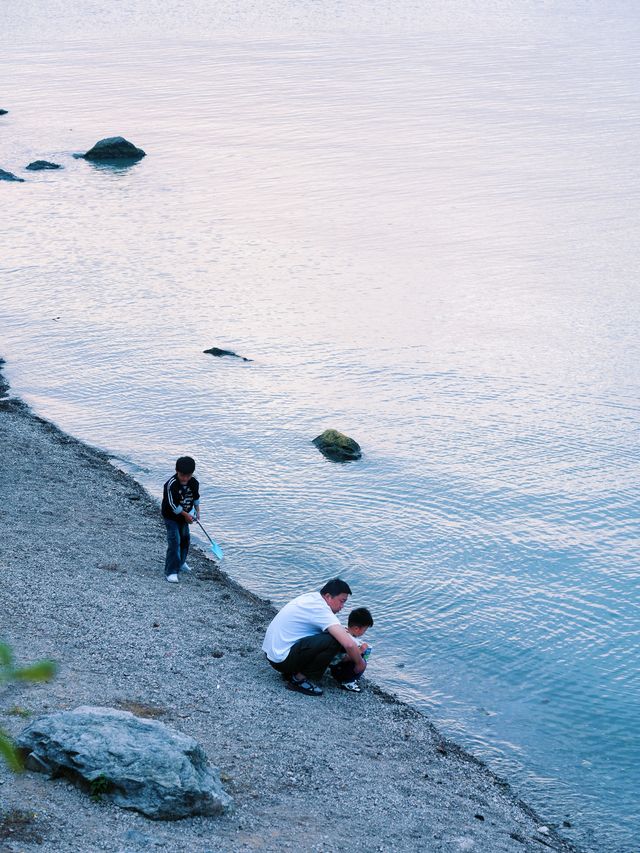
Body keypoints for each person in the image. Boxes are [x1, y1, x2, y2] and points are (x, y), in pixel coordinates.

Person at [262, 578, 367, 696]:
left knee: (331, 635)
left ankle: (292, 672)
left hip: (273, 655)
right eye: (341, 601)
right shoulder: (321, 610)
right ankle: (298, 680)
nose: (342, 606)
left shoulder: (311, 598)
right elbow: (349, 644)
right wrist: (360, 663)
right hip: (281, 660)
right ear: (328, 596)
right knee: (334, 640)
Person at [161, 456, 200, 583]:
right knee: (175, 541)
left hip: (185, 516)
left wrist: (197, 512)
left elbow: (196, 498)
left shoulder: (194, 483)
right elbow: (172, 505)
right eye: (182, 475)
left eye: (188, 476)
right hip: (171, 517)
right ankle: (171, 571)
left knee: (185, 539)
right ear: (177, 471)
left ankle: (181, 562)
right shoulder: (171, 484)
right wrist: (186, 515)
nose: (185, 479)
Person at [329, 607, 374, 693]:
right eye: (364, 630)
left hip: (332, 665)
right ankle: (348, 682)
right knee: (362, 660)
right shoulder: (350, 641)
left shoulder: (342, 630)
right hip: (337, 669)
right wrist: (361, 650)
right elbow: (344, 658)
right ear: (356, 629)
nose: (364, 632)